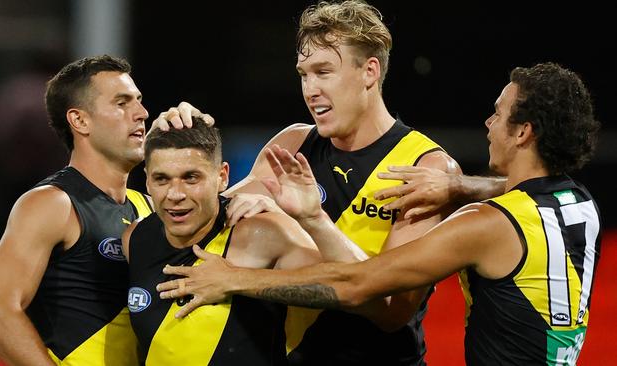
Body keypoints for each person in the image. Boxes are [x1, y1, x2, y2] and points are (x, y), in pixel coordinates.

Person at [158, 62, 602, 365]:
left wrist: (238, 279)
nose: (487, 124)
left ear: (523, 132)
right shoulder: (580, 202)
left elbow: (362, 287)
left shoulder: (484, 224)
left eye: (497, 114)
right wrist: (460, 186)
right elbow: (520, 194)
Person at [152, 1, 460, 364]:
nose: (310, 89)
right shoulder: (293, 144)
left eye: (323, 71)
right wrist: (177, 142)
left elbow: (393, 310)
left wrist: (310, 220)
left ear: (370, 71)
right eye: (303, 74)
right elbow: (193, 219)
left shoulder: (425, 166)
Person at [123, 120, 368, 365]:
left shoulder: (261, 232)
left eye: (191, 178)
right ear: (147, 181)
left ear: (222, 177)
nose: (175, 195)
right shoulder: (134, 239)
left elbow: (353, 287)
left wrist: (313, 219)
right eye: (162, 179)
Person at [0, 55, 155, 365]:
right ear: (80, 121)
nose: (141, 113)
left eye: (138, 101)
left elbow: (262, 172)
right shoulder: (52, 203)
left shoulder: (148, 206)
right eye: (122, 103)